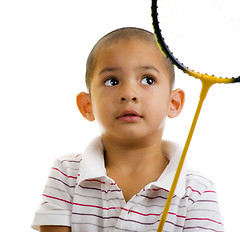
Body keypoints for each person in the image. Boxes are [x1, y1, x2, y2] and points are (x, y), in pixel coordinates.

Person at [32, 27, 224, 232]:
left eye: (148, 80)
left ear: (174, 102)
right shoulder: (67, 173)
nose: (129, 93)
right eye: (111, 81)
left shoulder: (197, 191)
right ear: (87, 106)